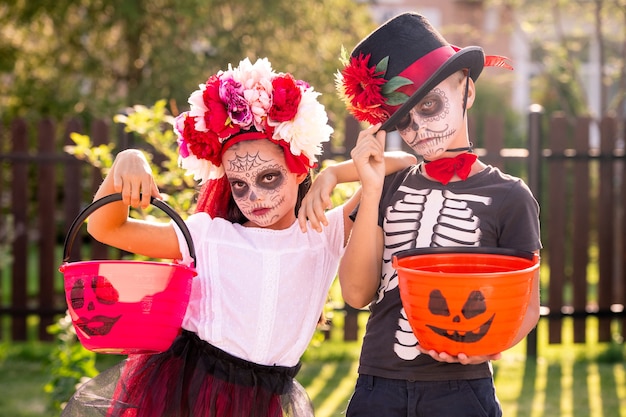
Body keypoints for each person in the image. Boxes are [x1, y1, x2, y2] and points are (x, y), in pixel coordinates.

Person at [61, 57, 415, 417]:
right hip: (189, 394)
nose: (254, 198)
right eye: (239, 185)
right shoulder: (209, 237)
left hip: (265, 400)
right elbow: (106, 228)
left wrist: (334, 175)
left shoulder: (325, 232)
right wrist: (128, 159)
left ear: (298, 169)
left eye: (268, 178)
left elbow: (403, 163)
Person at [299, 12, 541, 417]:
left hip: (461, 390)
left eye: (429, 104)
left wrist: (486, 346)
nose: (418, 131)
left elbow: (527, 306)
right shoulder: (388, 185)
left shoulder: (510, 196)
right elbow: (357, 295)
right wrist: (368, 188)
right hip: (378, 385)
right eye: (403, 120)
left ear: (467, 88)